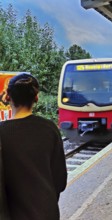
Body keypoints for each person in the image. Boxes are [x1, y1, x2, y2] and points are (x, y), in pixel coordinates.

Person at [0, 73, 67, 220]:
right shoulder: (49, 129)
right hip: (47, 212)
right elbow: (60, 180)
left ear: (8, 97)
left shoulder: (2, 132)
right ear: (36, 98)